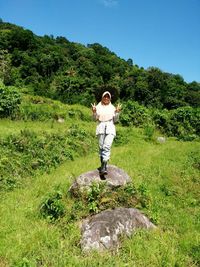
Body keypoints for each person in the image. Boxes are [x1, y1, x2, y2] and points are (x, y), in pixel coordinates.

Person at [91, 91, 122, 175]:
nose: (106, 98)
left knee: (107, 146)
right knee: (101, 147)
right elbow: (94, 119)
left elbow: (115, 120)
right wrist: (94, 112)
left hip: (110, 127)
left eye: (108, 97)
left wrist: (117, 112)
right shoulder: (97, 107)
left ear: (110, 99)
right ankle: (102, 166)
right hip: (101, 127)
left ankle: (104, 166)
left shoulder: (113, 108)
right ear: (102, 97)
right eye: (105, 97)